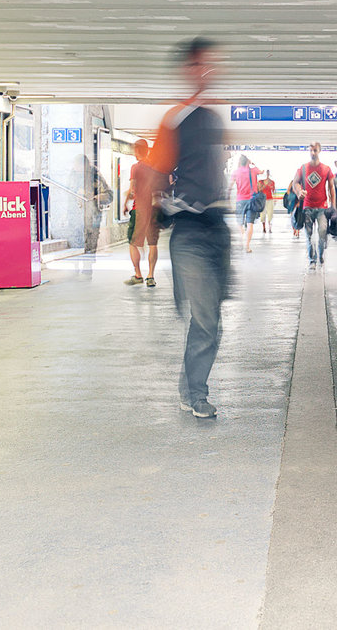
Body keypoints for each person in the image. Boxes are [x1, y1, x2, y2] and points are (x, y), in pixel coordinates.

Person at [150, 37, 229, 420]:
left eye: (213, 65)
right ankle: (195, 393)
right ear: (188, 70)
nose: (209, 72)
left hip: (218, 228)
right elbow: (155, 174)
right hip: (191, 233)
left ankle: (191, 387)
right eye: (202, 65)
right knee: (205, 318)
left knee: (211, 318)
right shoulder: (175, 119)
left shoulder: (215, 120)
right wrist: (143, 231)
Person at [122, 139, 161, 288]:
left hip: (139, 210)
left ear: (137, 151)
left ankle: (138, 274)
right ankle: (151, 276)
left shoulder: (136, 168)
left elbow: (133, 188)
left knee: (133, 243)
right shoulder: (155, 167)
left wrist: (126, 203)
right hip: (154, 210)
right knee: (152, 244)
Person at [291, 142, 335, 271]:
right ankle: (312, 260)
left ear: (319, 151)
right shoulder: (303, 168)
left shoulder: (326, 169)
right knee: (309, 235)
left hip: (322, 207)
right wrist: (299, 191)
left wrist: (334, 205)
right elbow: (295, 183)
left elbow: (331, 187)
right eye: (310, 150)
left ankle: (320, 254)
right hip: (307, 207)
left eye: (315, 150)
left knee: (322, 232)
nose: (312, 153)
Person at [231, 155, 260, 253]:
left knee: (239, 222)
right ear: (247, 162)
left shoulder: (236, 172)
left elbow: (230, 186)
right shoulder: (253, 171)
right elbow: (261, 172)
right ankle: (247, 246)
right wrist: (253, 164)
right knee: (250, 223)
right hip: (251, 200)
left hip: (240, 200)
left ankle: (242, 237)